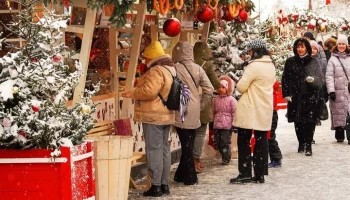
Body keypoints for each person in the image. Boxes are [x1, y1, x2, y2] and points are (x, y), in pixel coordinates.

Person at [121, 41, 175, 197]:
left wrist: (133, 92)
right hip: (166, 114)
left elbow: (149, 91)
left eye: (146, 57)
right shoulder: (170, 69)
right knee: (164, 149)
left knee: (154, 150)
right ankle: (164, 184)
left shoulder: (156, 71)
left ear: (152, 56)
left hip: (154, 116)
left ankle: (156, 186)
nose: (144, 60)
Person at [230, 39, 275, 184]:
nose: (249, 53)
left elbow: (241, 87)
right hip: (264, 106)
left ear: (255, 51)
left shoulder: (254, 66)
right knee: (261, 139)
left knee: (244, 140)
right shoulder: (271, 65)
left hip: (250, 107)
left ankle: (245, 173)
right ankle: (260, 173)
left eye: (250, 50)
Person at [172, 41, 214, 185]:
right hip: (195, 107)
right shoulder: (198, 69)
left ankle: (190, 177)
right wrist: (201, 104)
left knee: (186, 144)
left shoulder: (174, 68)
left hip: (181, 107)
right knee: (188, 142)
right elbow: (209, 89)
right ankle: (180, 174)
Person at [282, 38, 323, 156]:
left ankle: (308, 144)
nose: (300, 49)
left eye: (302, 47)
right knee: (298, 120)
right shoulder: (290, 61)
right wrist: (286, 93)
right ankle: (301, 143)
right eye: (298, 47)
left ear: (307, 48)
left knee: (310, 121)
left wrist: (313, 80)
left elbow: (320, 79)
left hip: (310, 95)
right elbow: (286, 78)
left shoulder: (313, 61)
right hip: (295, 96)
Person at [193, 42, 220, 173]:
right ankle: (195, 159)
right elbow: (216, 83)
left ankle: (188, 159)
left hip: (189, 101)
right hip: (202, 100)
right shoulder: (206, 65)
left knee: (189, 132)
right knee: (200, 131)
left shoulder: (187, 63)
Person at [325, 35, 350, 144]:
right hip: (337, 90)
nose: (341, 46)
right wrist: (331, 91)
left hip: (348, 90)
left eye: (343, 44)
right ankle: (339, 135)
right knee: (338, 113)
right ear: (337, 45)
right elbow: (329, 76)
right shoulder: (332, 59)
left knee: (349, 113)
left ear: (346, 45)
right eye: (339, 44)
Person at [212, 75, 237, 165]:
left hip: (227, 125)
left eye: (223, 87)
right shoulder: (216, 100)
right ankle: (224, 155)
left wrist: (234, 124)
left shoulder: (231, 100)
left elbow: (234, 112)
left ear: (228, 88)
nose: (221, 89)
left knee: (224, 142)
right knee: (217, 142)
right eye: (219, 87)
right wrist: (212, 122)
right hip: (217, 124)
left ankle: (226, 157)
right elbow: (213, 112)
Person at [268, 80, 283, 168]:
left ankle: (276, 158)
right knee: (270, 137)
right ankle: (275, 158)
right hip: (271, 114)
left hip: (271, 114)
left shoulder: (271, 93)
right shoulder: (271, 92)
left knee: (270, 137)